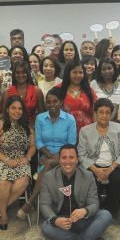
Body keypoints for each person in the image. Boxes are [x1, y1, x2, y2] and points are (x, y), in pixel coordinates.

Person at [39, 144, 113, 240]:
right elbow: (44, 204)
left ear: (77, 160)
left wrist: (85, 211)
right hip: (62, 220)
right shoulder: (48, 177)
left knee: (106, 215)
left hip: (82, 220)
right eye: (64, 158)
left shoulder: (88, 176)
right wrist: (55, 220)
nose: (67, 161)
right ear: (59, 160)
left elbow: (94, 203)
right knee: (46, 227)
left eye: (71, 157)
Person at [0, 95, 36, 230]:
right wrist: (6, 160)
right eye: (13, 108)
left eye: (20, 108)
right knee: (3, 182)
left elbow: (32, 146)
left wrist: (27, 157)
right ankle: (4, 216)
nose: (17, 111)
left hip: (19, 159)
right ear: (7, 109)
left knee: (23, 181)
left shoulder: (26, 126)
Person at [23, 88, 77, 218]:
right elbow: (38, 141)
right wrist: (49, 156)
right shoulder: (40, 118)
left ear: (61, 102)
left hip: (66, 157)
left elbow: (71, 143)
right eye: (49, 102)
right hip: (45, 156)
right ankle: (39, 203)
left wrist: (56, 157)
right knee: (48, 164)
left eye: (55, 101)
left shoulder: (70, 119)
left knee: (48, 165)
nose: (52, 104)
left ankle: (30, 201)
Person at [78, 98, 120, 216]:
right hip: (92, 166)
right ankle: (93, 210)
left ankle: (109, 211)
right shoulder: (85, 131)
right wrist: (96, 170)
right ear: (95, 113)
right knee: (91, 180)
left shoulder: (119, 129)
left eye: (107, 112)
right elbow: (81, 154)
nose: (104, 116)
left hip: (114, 165)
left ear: (111, 114)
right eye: (101, 112)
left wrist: (110, 169)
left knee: (118, 179)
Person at [57, 61, 97, 133]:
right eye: (74, 72)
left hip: (87, 131)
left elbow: (94, 112)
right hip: (64, 130)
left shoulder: (89, 91)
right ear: (68, 73)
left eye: (80, 72)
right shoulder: (59, 90)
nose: (78, 75)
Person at [4, 60, 44, 125]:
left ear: (28, 73)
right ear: (14, 74)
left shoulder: (37, 90)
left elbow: (41, 113)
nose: (21, 75)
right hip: (12, 127)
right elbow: (4, 114)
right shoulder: (7, 92)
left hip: (32, 126)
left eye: (24, 72)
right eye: (17, 72)